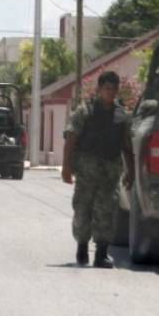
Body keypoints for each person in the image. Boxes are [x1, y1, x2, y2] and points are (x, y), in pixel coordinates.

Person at [62, 71, 134, 268]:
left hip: (110, 170)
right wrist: (66, 168)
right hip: (87, 169)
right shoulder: (85, 111)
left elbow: (126, 144)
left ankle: (101, 253)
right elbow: (70, 139)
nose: (110, 93)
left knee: (107, 210)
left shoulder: (122, 115)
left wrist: (131, 171)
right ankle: (82, 248)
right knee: (83, 208)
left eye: (113, 89)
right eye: (106, 88)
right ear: (99, 89)